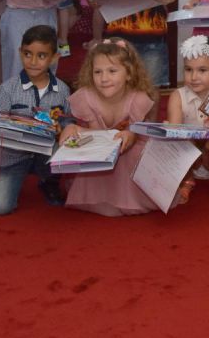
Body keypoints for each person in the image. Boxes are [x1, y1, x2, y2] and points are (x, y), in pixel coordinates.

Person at [60, 40, 159, 217]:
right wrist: (74, 129)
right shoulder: (87, 96)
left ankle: (127, 197)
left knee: (132, 154)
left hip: (131, 147)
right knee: (95, 151)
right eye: (98, 72)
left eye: (112, 71)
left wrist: (130, 135)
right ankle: (102, 197)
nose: (104, 78)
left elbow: (137, 133)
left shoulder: (137, 98)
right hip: (103, 148)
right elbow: (98, 137)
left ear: (129, 73)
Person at [0, 25, 71, 215]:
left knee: (64, 153)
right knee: (0, 207)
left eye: (41, 56)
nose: (33, 62)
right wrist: (12, 128)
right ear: (20, 53)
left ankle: (49, 180)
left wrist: (63, 129)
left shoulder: (63, 90)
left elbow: (68, 121)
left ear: (54, 58)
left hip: (47, 154)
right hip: (13, 156)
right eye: (27, 54)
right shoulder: (7, 88)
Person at [166, 35, 209, 205]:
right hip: (189, 157)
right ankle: (186, 179)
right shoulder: (177, 96)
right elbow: (175, 133)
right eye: (188, 69)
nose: (194, 77)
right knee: (174, 141)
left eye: (202, 70)